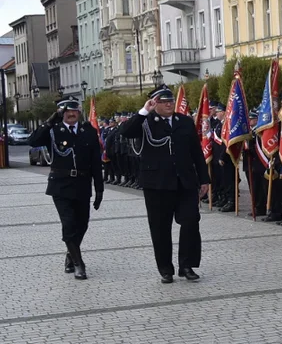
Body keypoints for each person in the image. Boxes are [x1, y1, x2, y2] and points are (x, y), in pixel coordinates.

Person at [118, 87, 210, 283]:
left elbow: (196, 152)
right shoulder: (145, 122)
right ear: (154, 103)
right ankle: (165, 269)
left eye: (170, 100)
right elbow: (125, 132)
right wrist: (144, 111)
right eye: (163, 101)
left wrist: (204, 179)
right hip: (157, 184)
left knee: (191, 221)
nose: (169, 104)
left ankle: (187, 265)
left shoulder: (184, 122)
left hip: (184, 182)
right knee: (160, 228)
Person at [27, 98, 104, 280]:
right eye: (67, 112)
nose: (71, 115)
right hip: (60, 185)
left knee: (82, 224)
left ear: (79, 112)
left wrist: (99, 189)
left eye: (74, 111)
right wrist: (49, 121)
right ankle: (78, 263)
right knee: (69, 224)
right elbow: (33, 140)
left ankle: (70, 254)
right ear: (61, 113)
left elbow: (95, 162)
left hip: (82, 184)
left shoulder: (88, 131)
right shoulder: (53, 131)